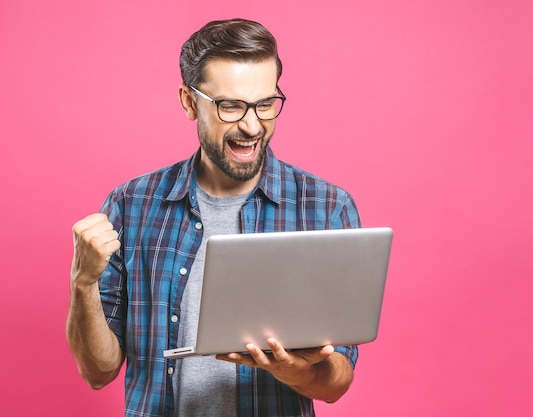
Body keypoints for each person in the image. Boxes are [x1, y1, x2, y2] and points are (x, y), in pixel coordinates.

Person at [66, 18, 361, 417]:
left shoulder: (326, 208)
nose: (252, 125)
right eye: (231, 106)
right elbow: (97, 371)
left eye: (265, 104)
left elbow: (337, 382)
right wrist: (82, 283)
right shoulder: (130, 205)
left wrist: (294, 370)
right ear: (190, 102)